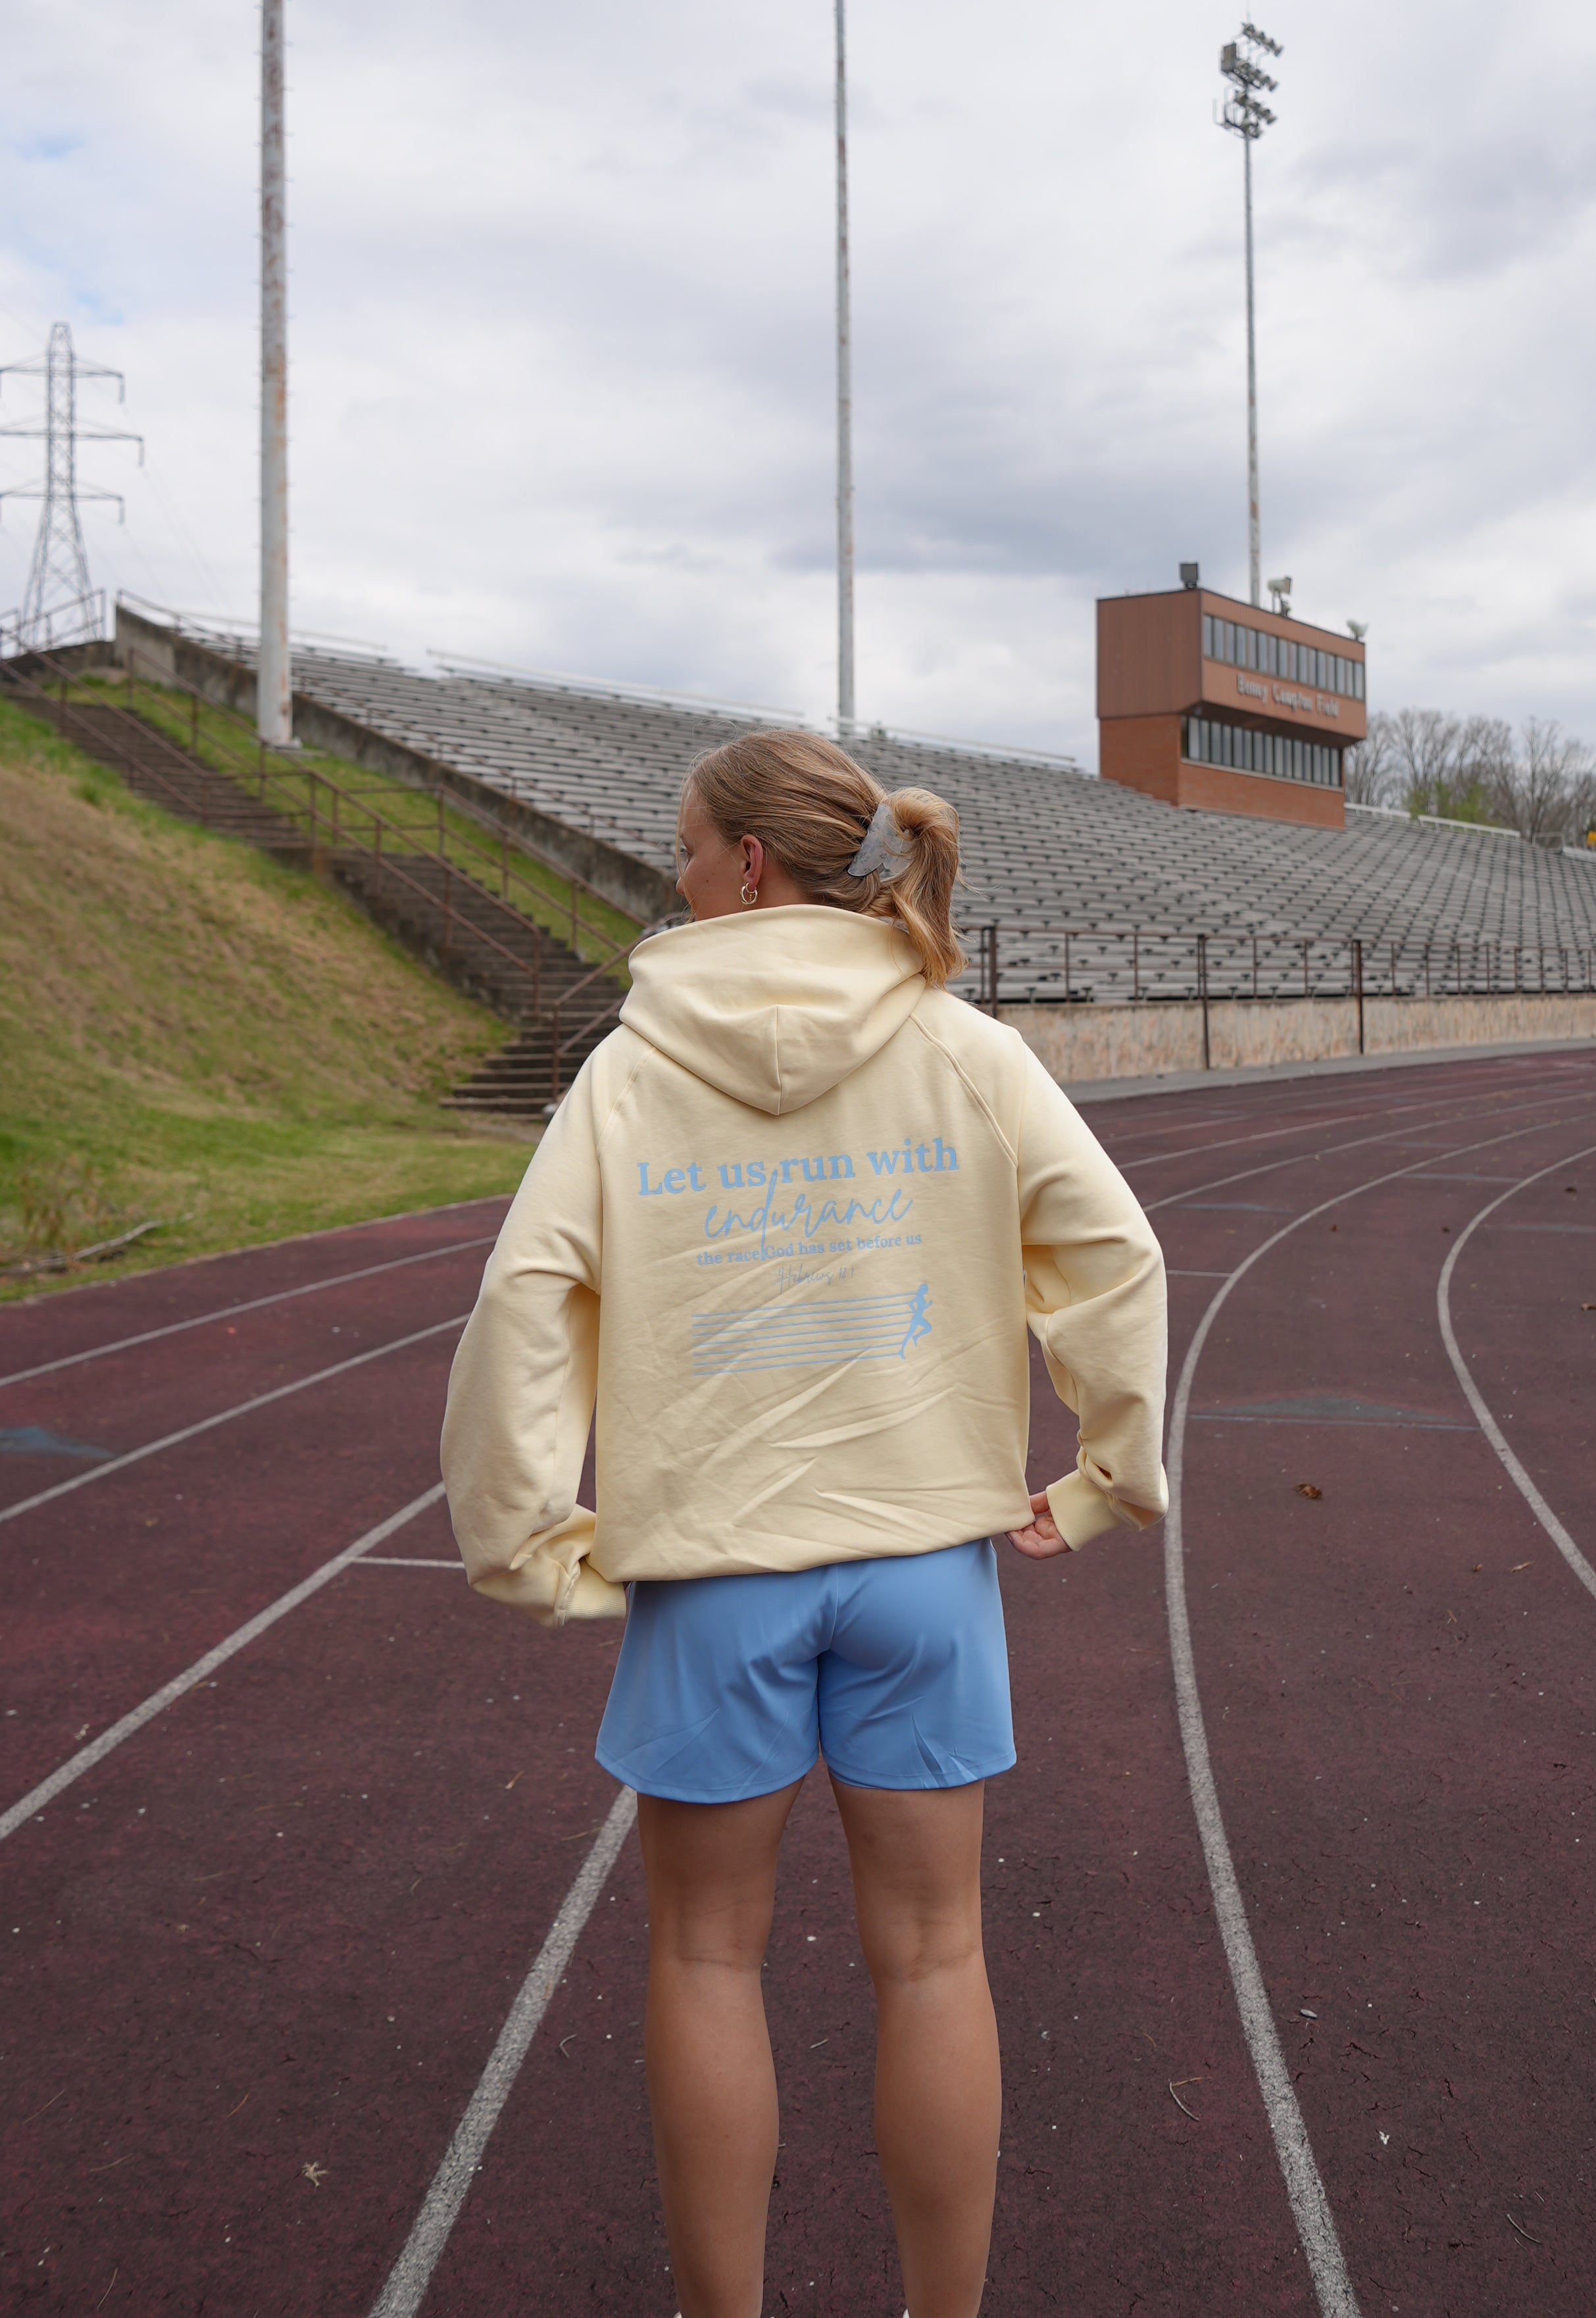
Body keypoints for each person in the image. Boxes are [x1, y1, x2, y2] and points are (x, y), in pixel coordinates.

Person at [441, 728, 1168, 2318]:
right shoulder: (964, 1049)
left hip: (712, 1575)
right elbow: (1113, 1248)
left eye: (684, 846)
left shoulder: (630, 1071)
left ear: (748, 865)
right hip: (926, 1563)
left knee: (708, 1957)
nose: (676, 872)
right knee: (934, 1956)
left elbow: (523, 1300)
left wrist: (526, 1542)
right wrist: (1107, 1474)